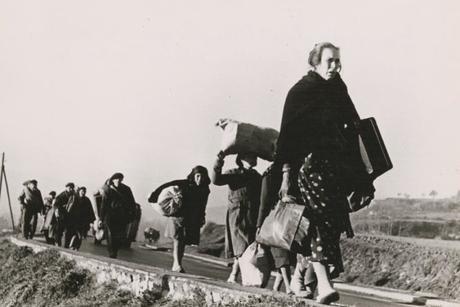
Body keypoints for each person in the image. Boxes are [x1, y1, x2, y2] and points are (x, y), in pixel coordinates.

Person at [275, 42, 374, 304]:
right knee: (319, 222)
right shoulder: (300, 92)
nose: (335, 66)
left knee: (332, 225)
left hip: (335, 168)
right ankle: (324, 284)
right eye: (330, 61)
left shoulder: (338, 89)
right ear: (315, 62)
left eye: (338, 61)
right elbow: (287, 137)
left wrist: (363, 176)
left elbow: (353, 126)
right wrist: (286, 175)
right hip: (310, 168)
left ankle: (298, 278)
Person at [148, 166, 210, 273]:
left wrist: (202, 216)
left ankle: (177, 263)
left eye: (202, 176)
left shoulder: (205, 189)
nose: (200, 179)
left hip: (192, 218)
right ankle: (177, 264)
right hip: (178, 217)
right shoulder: (184, 184)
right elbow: (167, 185)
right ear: (193, 176)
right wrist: (154, 195)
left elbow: (203, 204)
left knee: (183, 241)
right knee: (178, 239)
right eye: (198, 176)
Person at [211, 151, 261, 284]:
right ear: (242, 158)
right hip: (237, 215)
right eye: (251, 155)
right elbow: (216, 180)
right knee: (241, 247)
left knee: (248, 247)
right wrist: (219, 160)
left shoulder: (257, 177)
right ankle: (236, 275)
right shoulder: (234, 173)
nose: (254, 158)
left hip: (253, 216)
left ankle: (236, 275)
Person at [257, 164, 299, 296]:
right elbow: (264, 202)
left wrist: (259, 224)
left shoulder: (270, 175)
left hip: (283, 217)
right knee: (282, 254)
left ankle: (277, 287)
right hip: (280, 218)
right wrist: (260, 224)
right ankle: (287, 286)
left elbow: (264, 202)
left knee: (283, 253)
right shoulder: (273, 175)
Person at [100, 173, 136, 258]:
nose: (119, 181)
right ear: (113, 180)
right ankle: (112, 253)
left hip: (121, 216)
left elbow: (132, 203)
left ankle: (114, 250)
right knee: (110, 234)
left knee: (119, 235)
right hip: (110, 215)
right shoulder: (109, 189)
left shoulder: (127, 189)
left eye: (120, 179)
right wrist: (101, 219)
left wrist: (132, 214)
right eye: (117, 179)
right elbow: (104, 204)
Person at [53, 182, 77, 247]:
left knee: (68, 231)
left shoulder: (74, 196)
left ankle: (66, 245)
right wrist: (57, 210)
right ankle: (57, 243)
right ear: (66, 188)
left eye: (72, 188)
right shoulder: (62, 195)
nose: (71, 189)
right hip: (62, 215)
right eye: (69, 188)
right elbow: (56, 204)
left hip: (70, 216)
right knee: (59, 230)